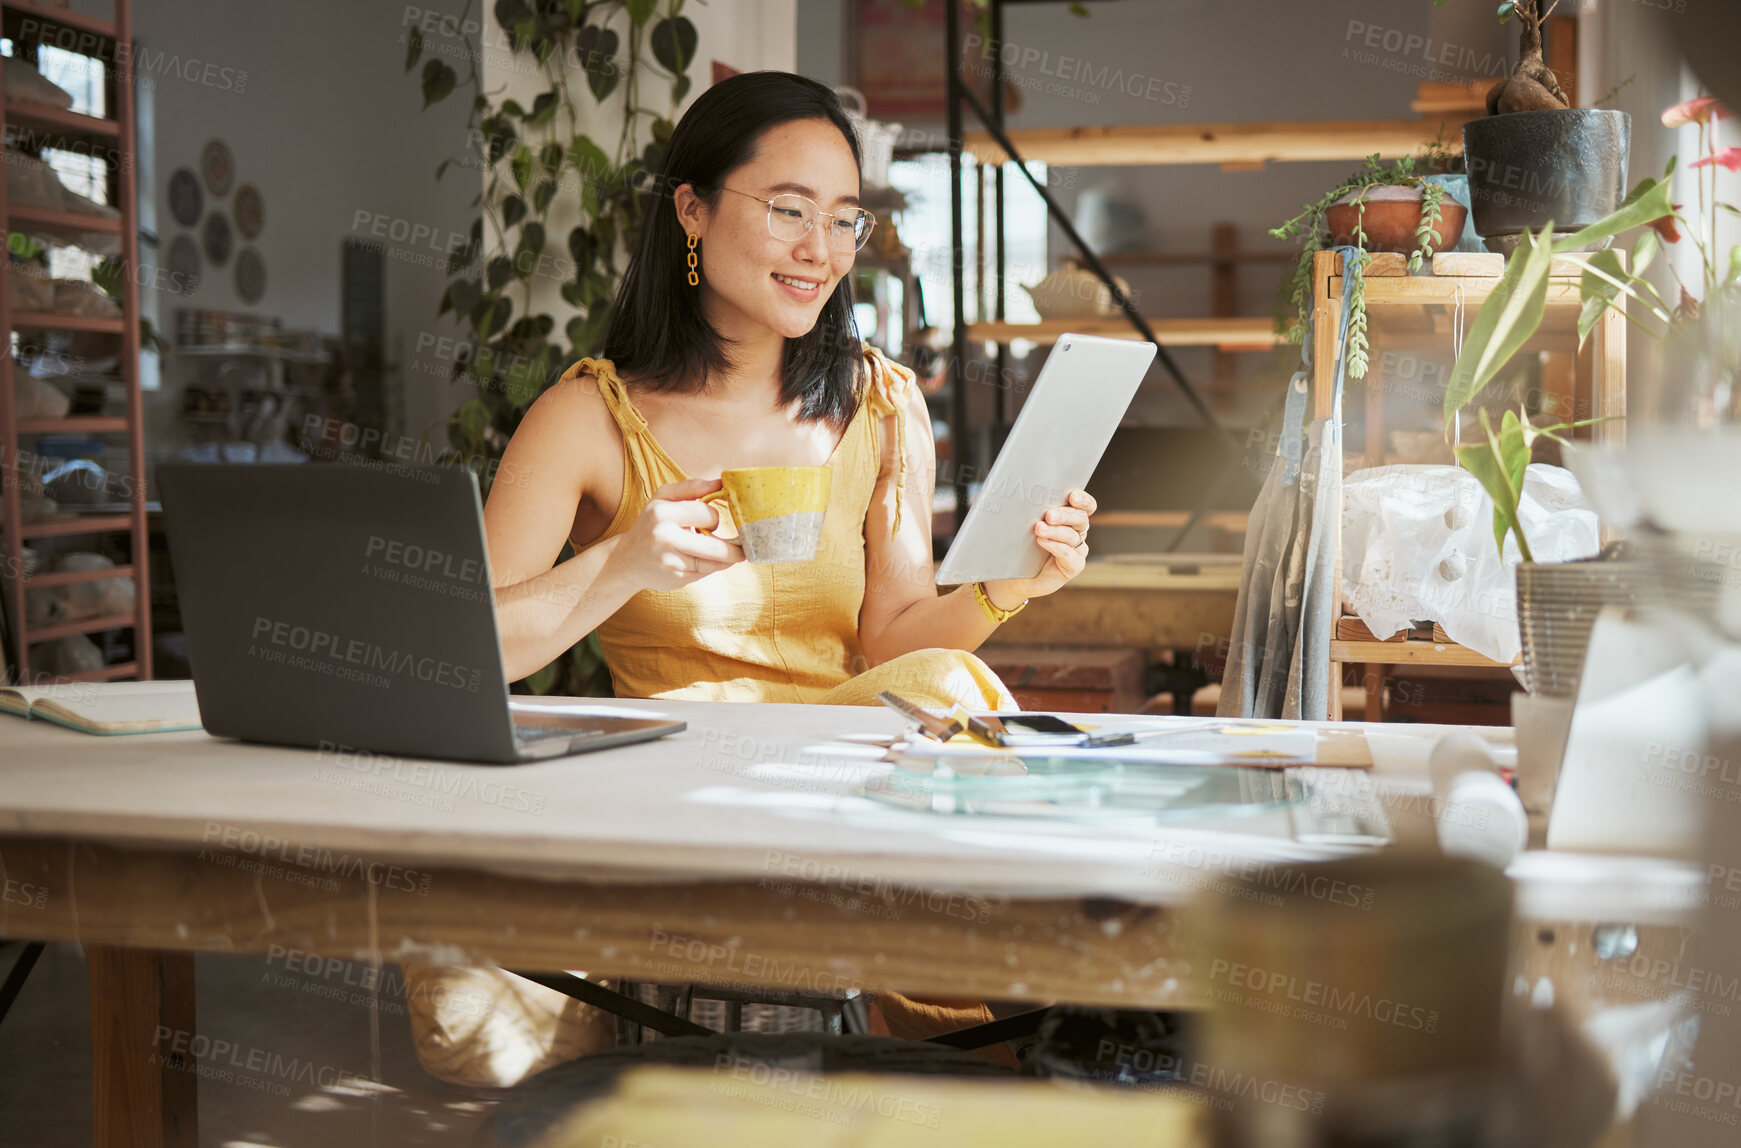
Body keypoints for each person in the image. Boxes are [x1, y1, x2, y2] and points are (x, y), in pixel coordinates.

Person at [406, 70, 1096, 1089]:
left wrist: (1010, 584)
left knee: (945, 692)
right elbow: (466, 652)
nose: (821, 249)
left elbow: (894, 643)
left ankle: (1007, 1015)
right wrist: (619, 561)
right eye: (787, 210)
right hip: (674, 775)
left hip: (844, 773)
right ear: (689, 208)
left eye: (843, 219)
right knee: (470, 1019)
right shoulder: (588, 417)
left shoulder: (880, 401)